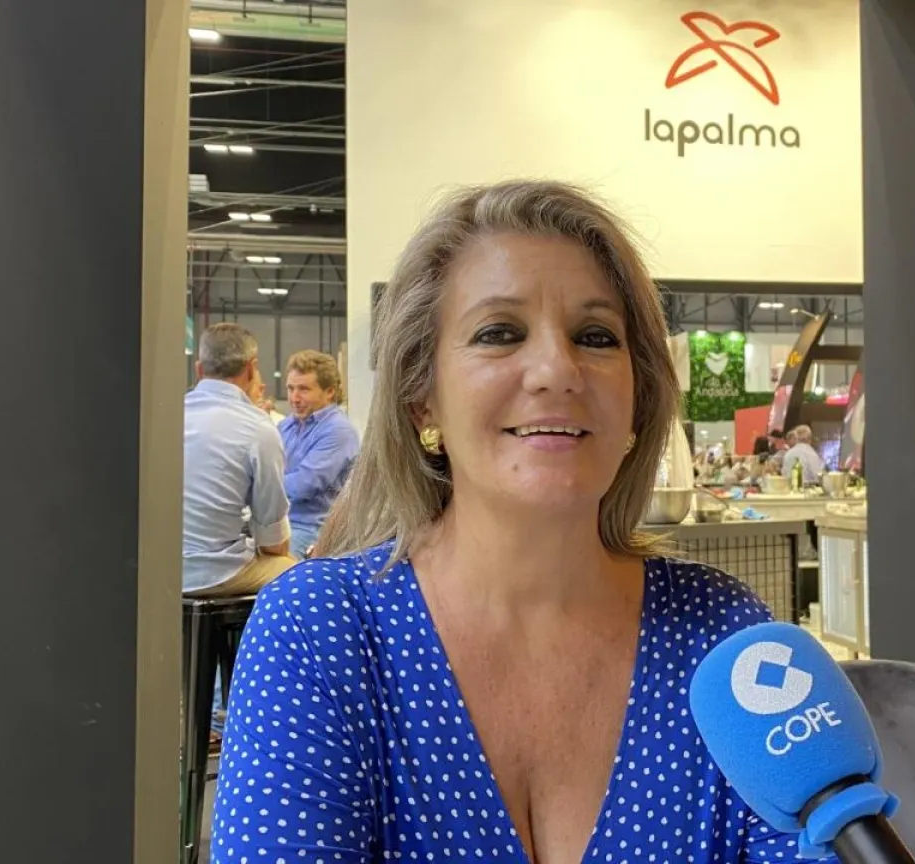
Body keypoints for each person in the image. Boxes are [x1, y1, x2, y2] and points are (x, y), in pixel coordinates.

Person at [210, 181, 831, 863]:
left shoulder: (724, 640)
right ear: (422, 399)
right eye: (498, 334)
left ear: (638, 399)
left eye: (596, 337)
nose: (557, 369)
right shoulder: (319, 632)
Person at [182, 323, 295, 598]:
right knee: (298, 572)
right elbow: (272, 544)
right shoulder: (259, 429)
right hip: (211, 573)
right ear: (251, 369)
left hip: (156, 567)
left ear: (199, 370)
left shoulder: (172, 414)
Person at [279, 349, 360, 558]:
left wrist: (263, 483)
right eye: (290, 388)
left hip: (310, 529)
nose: (294, 398)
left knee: (273, 570)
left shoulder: (339, 431)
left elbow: (303, 486)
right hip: (278, 522)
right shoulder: (286, 426)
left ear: (329, 392)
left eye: (303, 389)